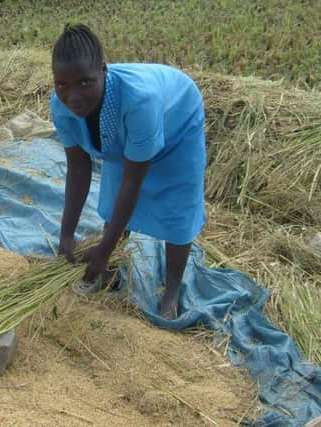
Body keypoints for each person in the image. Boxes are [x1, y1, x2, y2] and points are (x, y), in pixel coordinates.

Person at [50, 24, 206, 320]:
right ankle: (107, 266)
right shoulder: (61, 107)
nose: (73, 96)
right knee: (113, 198)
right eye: (62, 85)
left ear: (104, 72)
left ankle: (171, 290)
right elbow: (78, 169)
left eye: (85, 82)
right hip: (129, 130)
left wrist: (103, 247)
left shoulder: (139, 100)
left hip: (177, 120)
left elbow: (134, 180)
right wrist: (66, 235)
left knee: (177, 207)